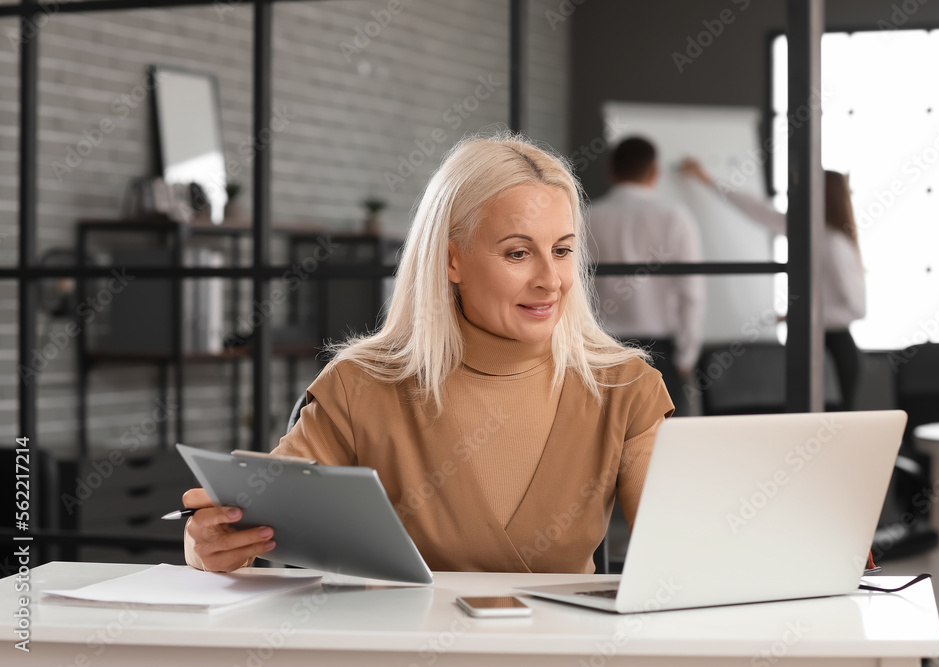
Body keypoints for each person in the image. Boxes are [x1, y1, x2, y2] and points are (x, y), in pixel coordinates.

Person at [183, 133, 675, 575]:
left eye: (563, 251)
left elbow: (682, 551)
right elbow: (249, 520)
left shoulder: (624, 389)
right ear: (450, 259)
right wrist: (205, 542)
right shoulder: (362, 386)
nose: (550, 279)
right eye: (518, 253)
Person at [680, 158, 865, 409]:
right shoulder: (809, 232)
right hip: (812, 343)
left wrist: (800, 316)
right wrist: (709, 180)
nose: (795, 195)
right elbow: (756, 209)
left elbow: (857, 308)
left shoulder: (833, 243)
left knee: (835, 422)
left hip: (834, 347)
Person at [587, 137, 704, 416]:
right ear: (654, 173)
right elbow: (692, 291)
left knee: (604, 447)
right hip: (660, 352)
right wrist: (687, 355)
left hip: (604, 349)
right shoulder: (675, 217)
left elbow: (579, 285)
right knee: (664, 447)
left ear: (611, 171)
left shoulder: (587, 216)